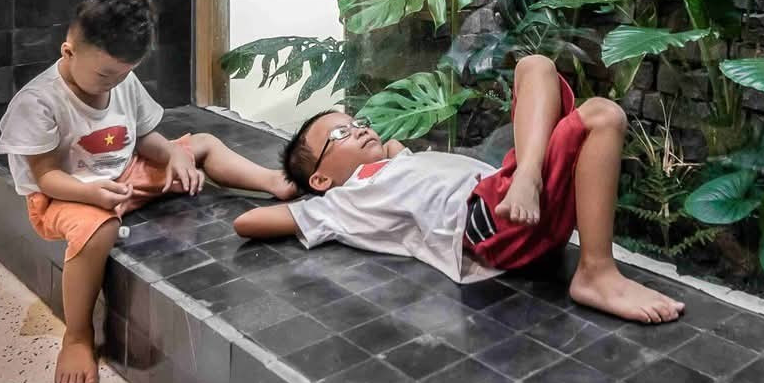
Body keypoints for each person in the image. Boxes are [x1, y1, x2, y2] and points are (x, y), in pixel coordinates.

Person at [233, 53, 685, 325]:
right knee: (602, 115)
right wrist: (286, 189)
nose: (359, 130)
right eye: (340, 135)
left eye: (356, 122)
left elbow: (395, 150)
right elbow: (247, 222)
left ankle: (527, 175)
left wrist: (389, 151)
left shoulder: (397, 162)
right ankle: (596, 272)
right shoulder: (344, 201)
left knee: (535, 65)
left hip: (509, 199)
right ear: (320, 179)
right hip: (487, 219)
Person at [0, 0, 296, 383]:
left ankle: (273, 181)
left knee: (202, 145)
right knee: (98, 228)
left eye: (124, 74)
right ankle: (78, 335)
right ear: (68, 51)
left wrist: (173, 156)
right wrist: (90, 194)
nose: (113, 83)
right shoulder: (39, 103)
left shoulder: (121, 79)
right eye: (105, 75)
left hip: (123, 175)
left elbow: (142, 137)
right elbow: (46, 177)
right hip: (66, 194)